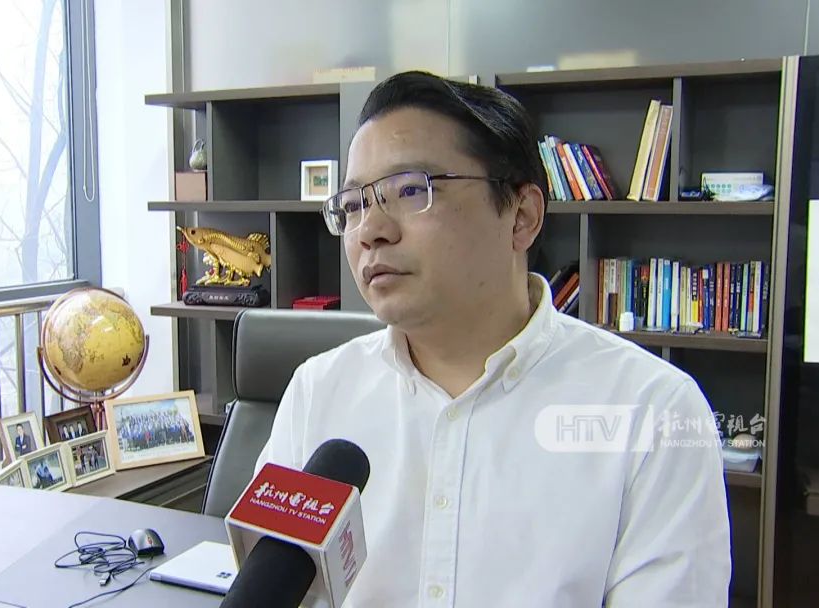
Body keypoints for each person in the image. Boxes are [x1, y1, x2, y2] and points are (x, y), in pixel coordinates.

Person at [255, 71, 731, 607]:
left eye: (411, 189)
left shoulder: (653, 412)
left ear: (522, 217)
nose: (369, 230)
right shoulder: (317, 392)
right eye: (353, 205)